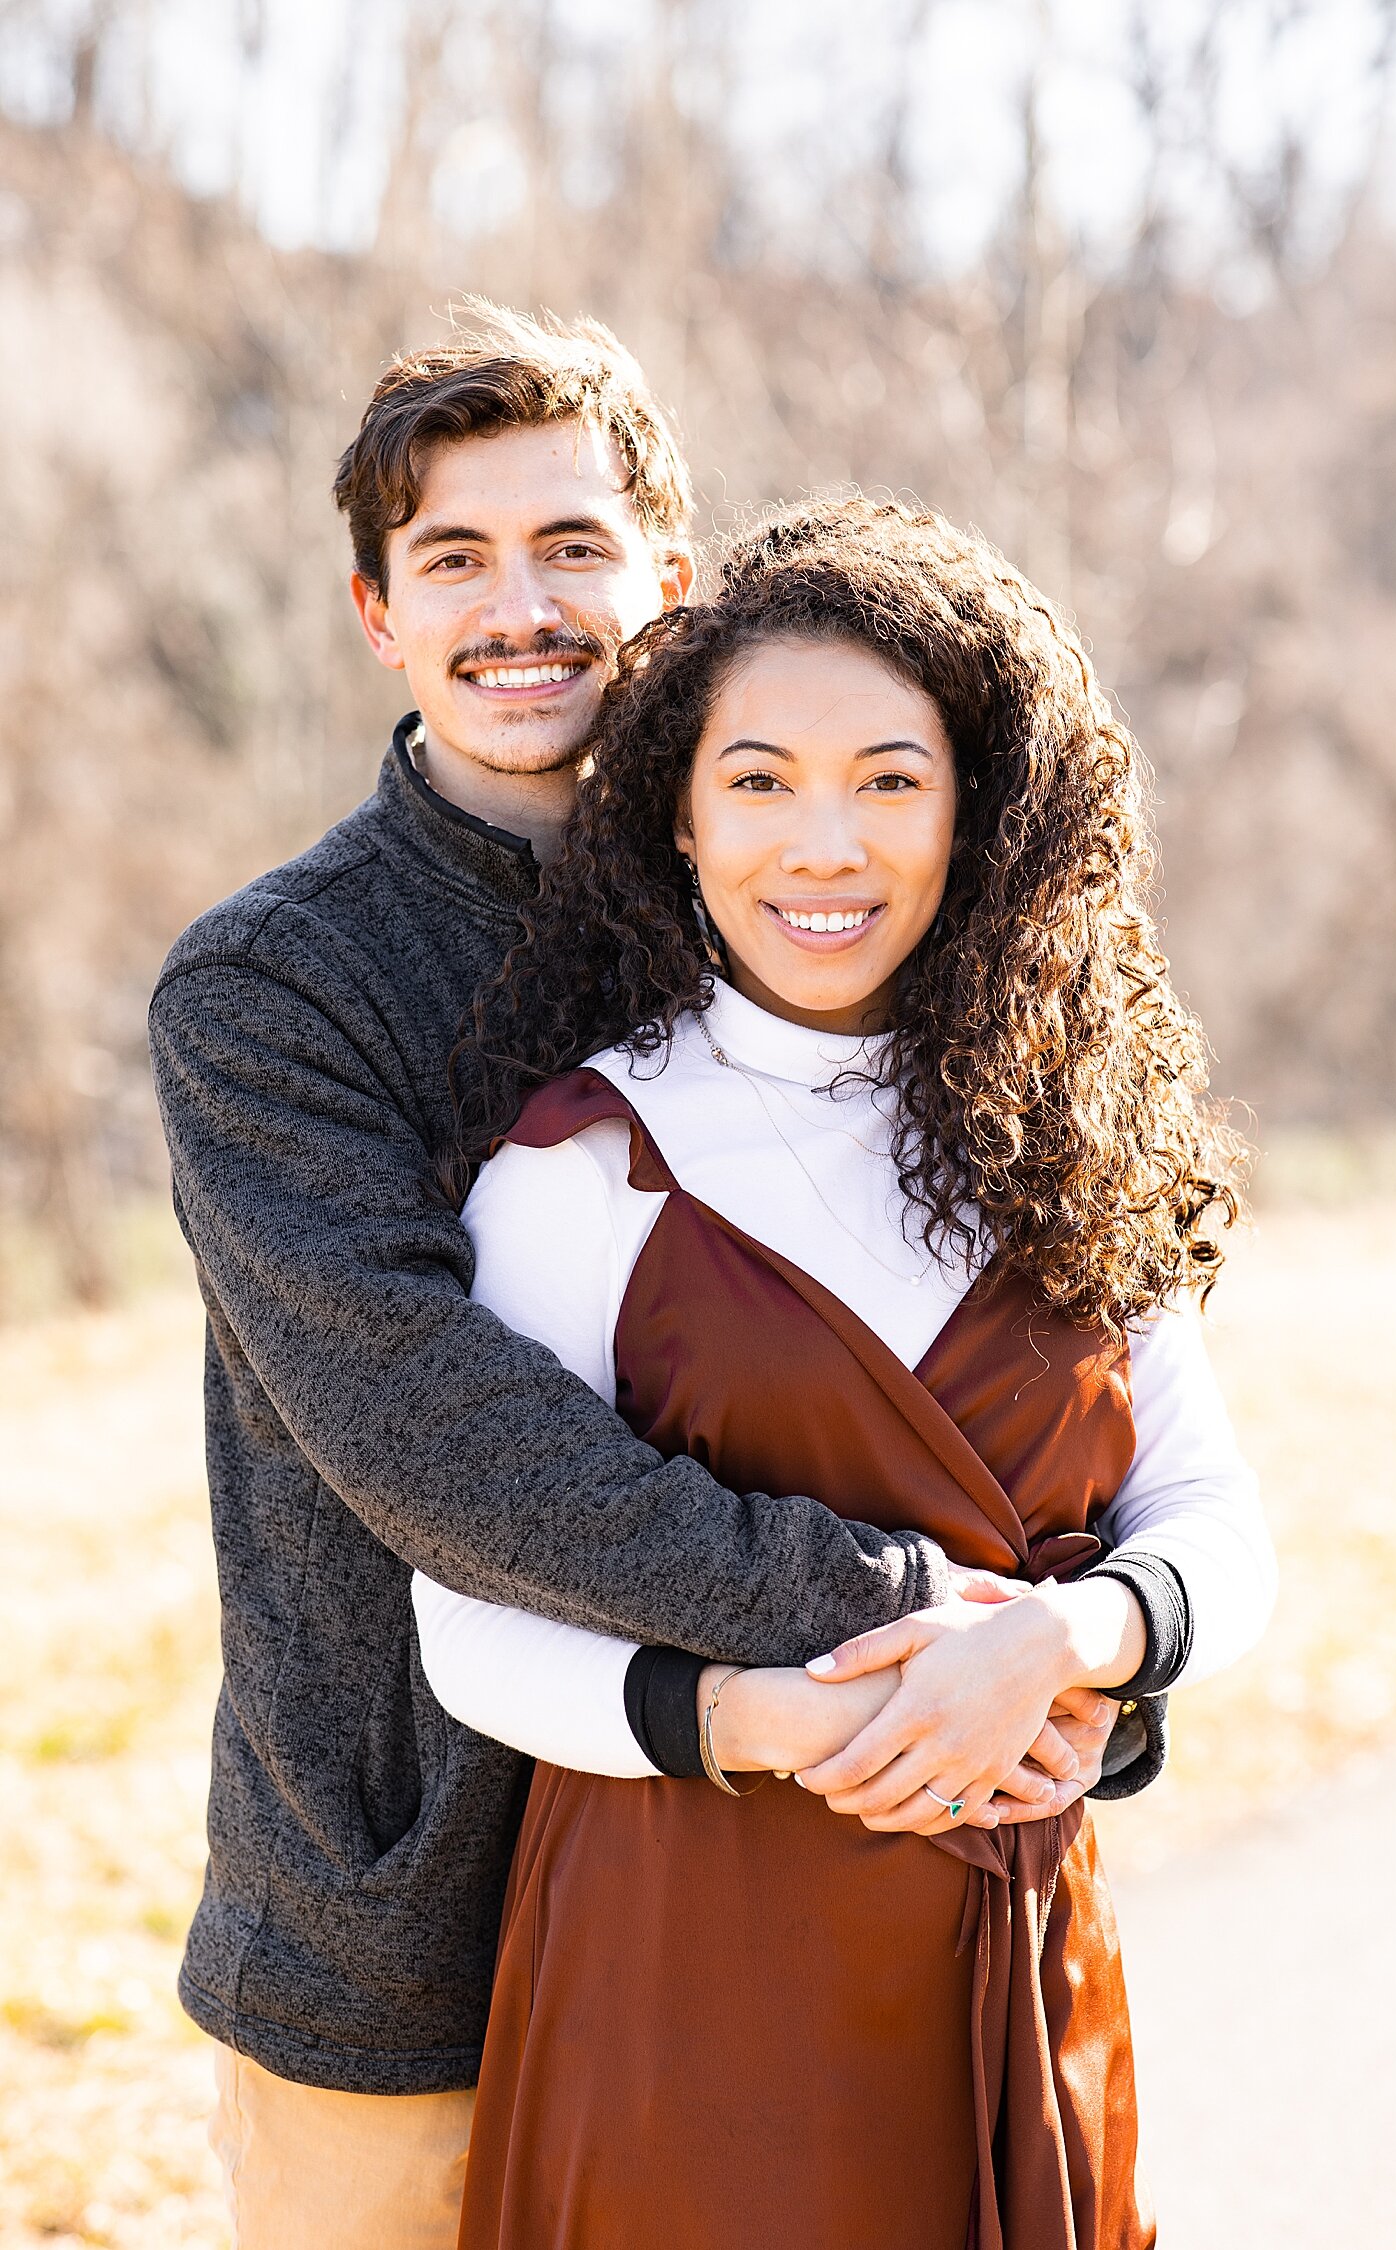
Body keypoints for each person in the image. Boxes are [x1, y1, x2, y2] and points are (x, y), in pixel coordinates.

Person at [148, 307, 1178, 2250]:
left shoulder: (784, 913)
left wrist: (1074, 1660)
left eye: (572, 549)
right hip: (412, 1917)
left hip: (797, 1882)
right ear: (377, 612)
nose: (517, 607)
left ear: (672, 588)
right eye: (453, 558)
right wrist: (902, 1620)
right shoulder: (274, 986)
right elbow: (435, 1438)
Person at [415, 497, 1277, 2250]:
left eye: (890, 778)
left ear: (979, 811)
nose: (826, 843)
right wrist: (772, 1726)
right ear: (676, 807)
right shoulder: (588, 1163)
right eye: (761, 779)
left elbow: (1213, 1520)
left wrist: (1065, 1635)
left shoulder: (1070, 1144)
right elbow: (472, 1618)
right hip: (685, 1980)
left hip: (1024, 1961)